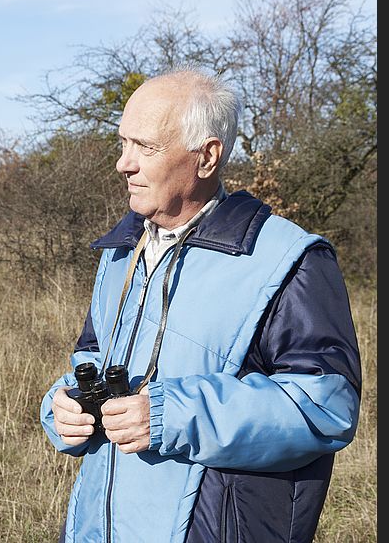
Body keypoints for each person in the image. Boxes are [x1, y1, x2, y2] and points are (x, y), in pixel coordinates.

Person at [41, 67, 362, 543]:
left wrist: (173, 415)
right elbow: (92, 357)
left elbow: (325, 406)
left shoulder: (287, 259)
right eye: (122, 144)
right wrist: (63, 405)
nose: (122, 165)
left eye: (144, 147)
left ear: (208, 157)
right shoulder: (119, 252)